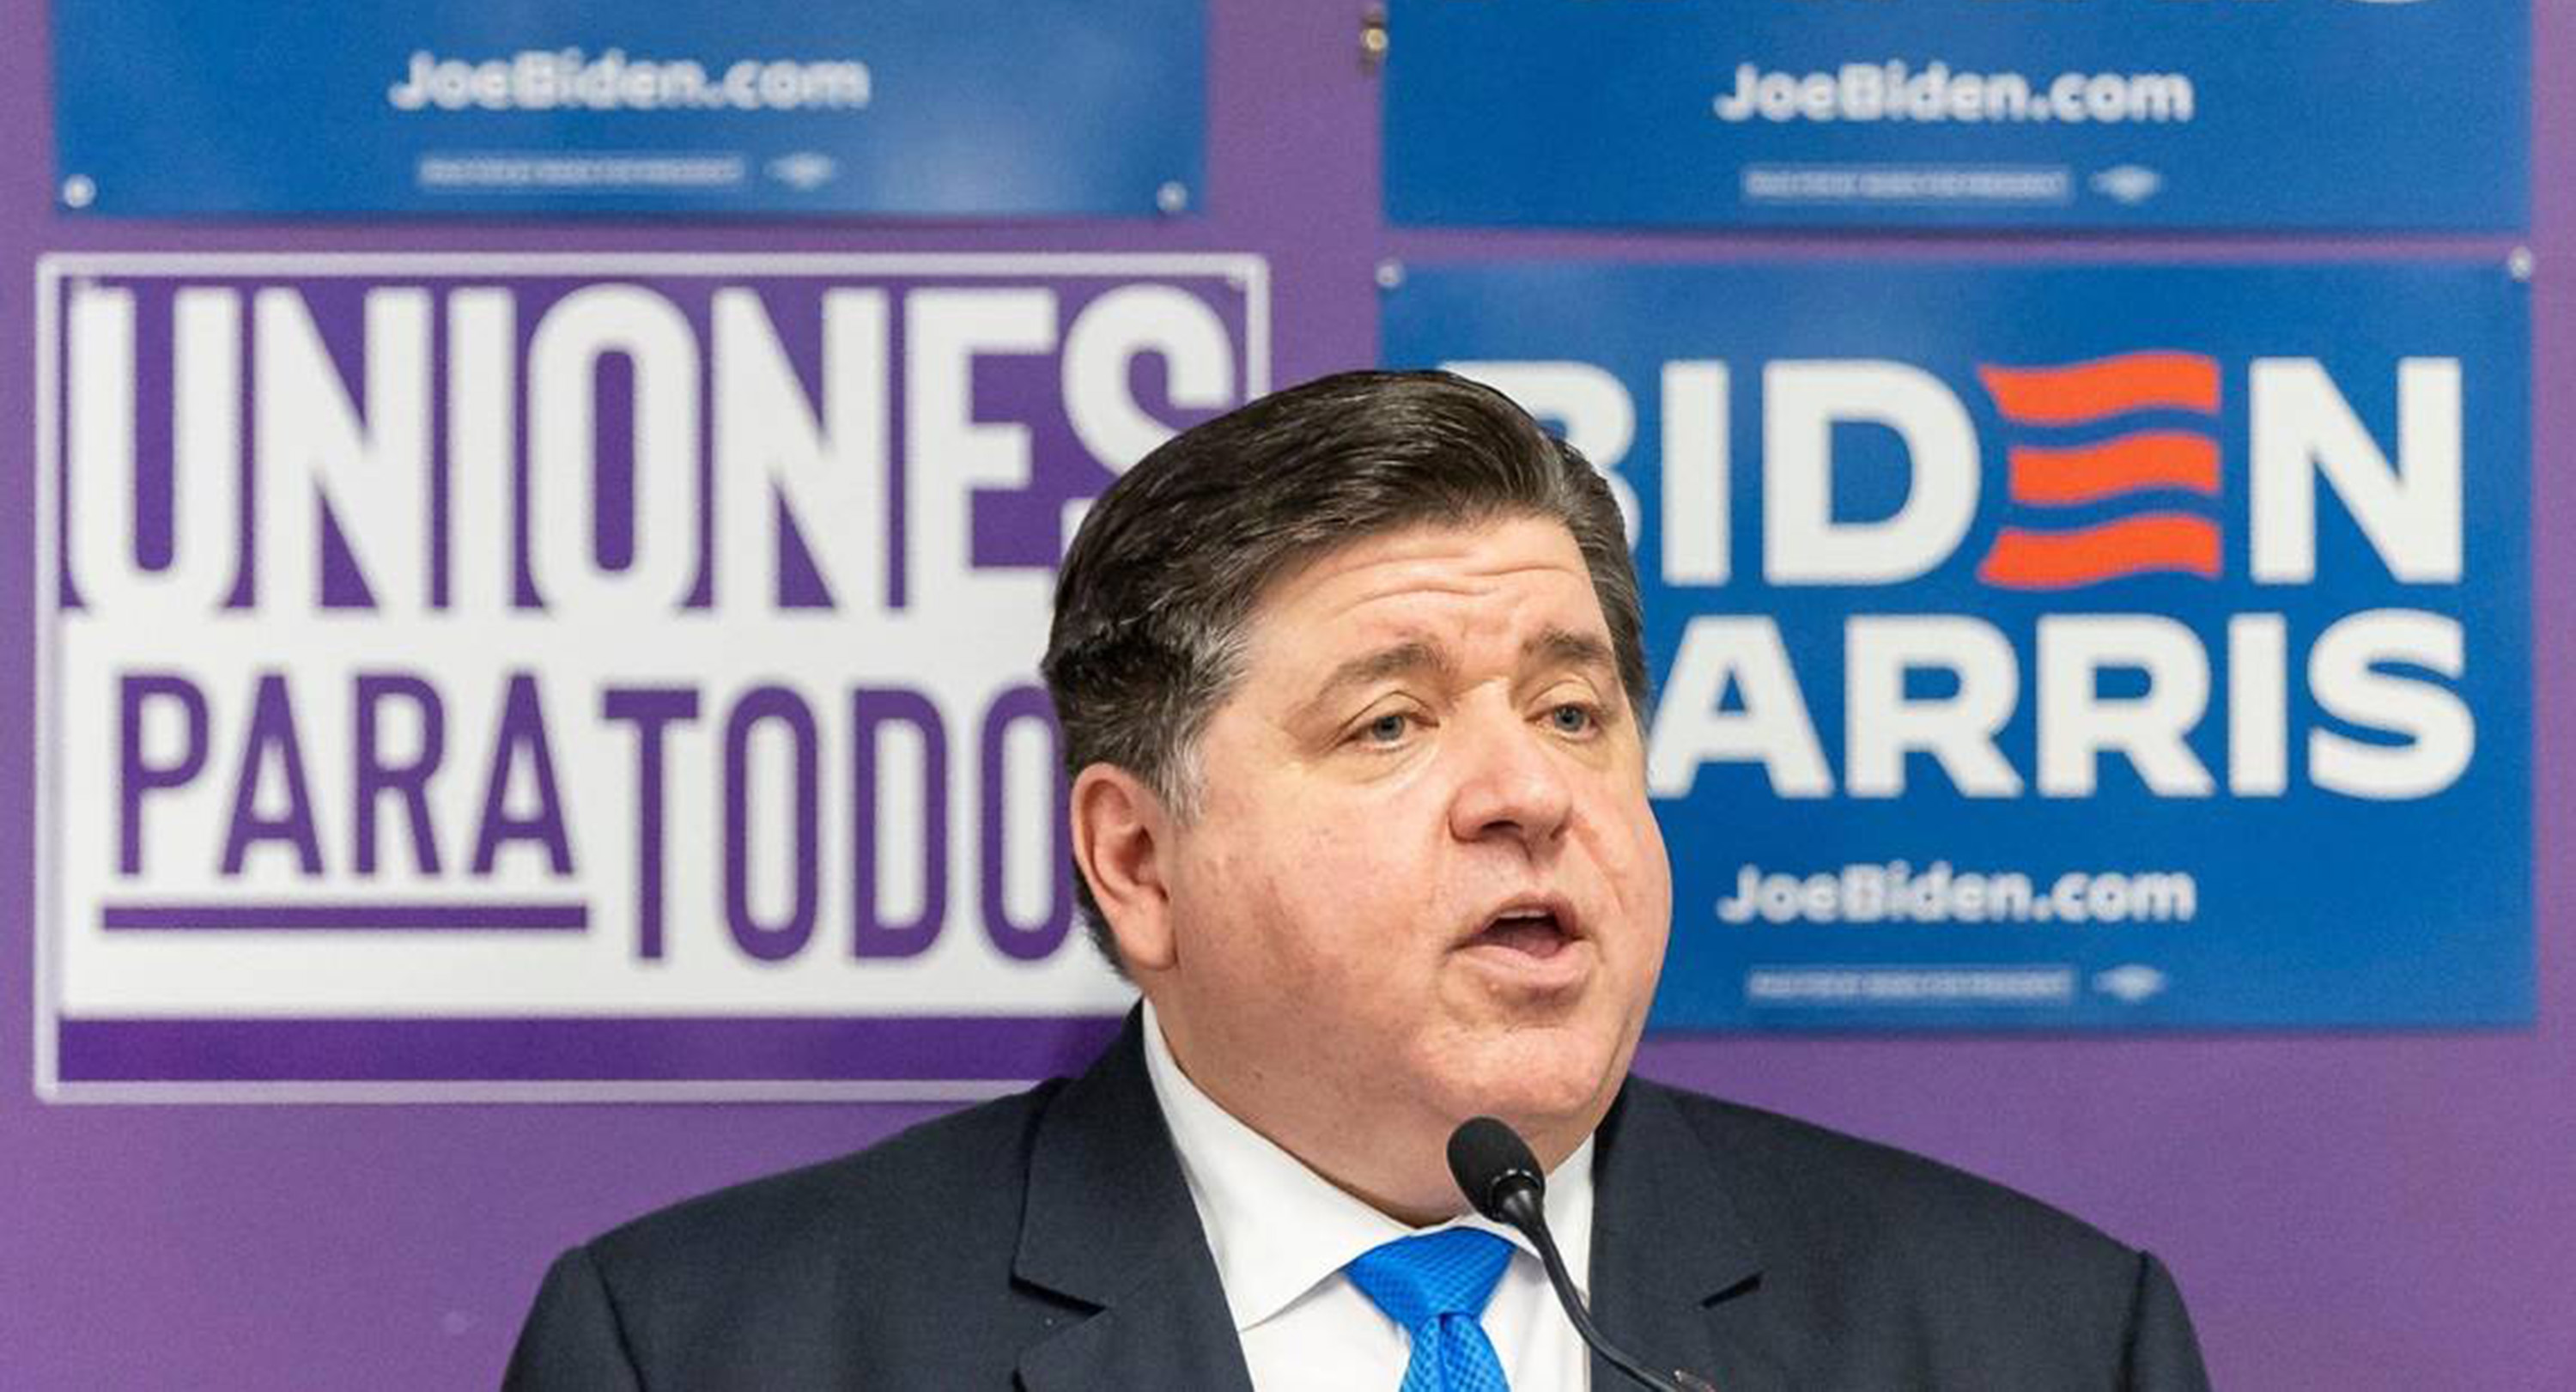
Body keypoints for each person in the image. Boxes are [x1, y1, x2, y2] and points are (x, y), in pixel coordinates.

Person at [504, 368, 2210, 1390]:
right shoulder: (716, 1349)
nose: (1531, 790)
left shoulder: (2035, 1338)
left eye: (1573, 706)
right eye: (1391, 719)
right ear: (1136, 858)